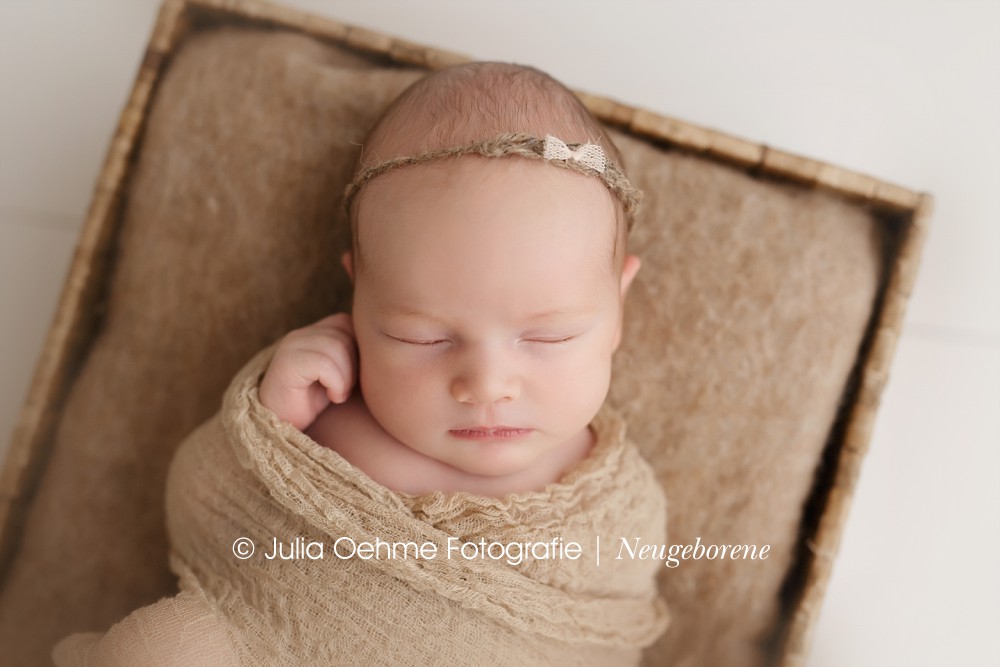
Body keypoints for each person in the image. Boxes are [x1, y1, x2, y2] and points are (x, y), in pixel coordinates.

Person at [259, 61, 647, 498]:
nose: (486, 386)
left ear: (618, 310)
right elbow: (211, 514)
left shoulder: (610, 488)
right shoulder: (318, 428)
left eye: (550, 337)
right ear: (358, 300)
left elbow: (633, 563)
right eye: (421, 338)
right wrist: (272, 425)